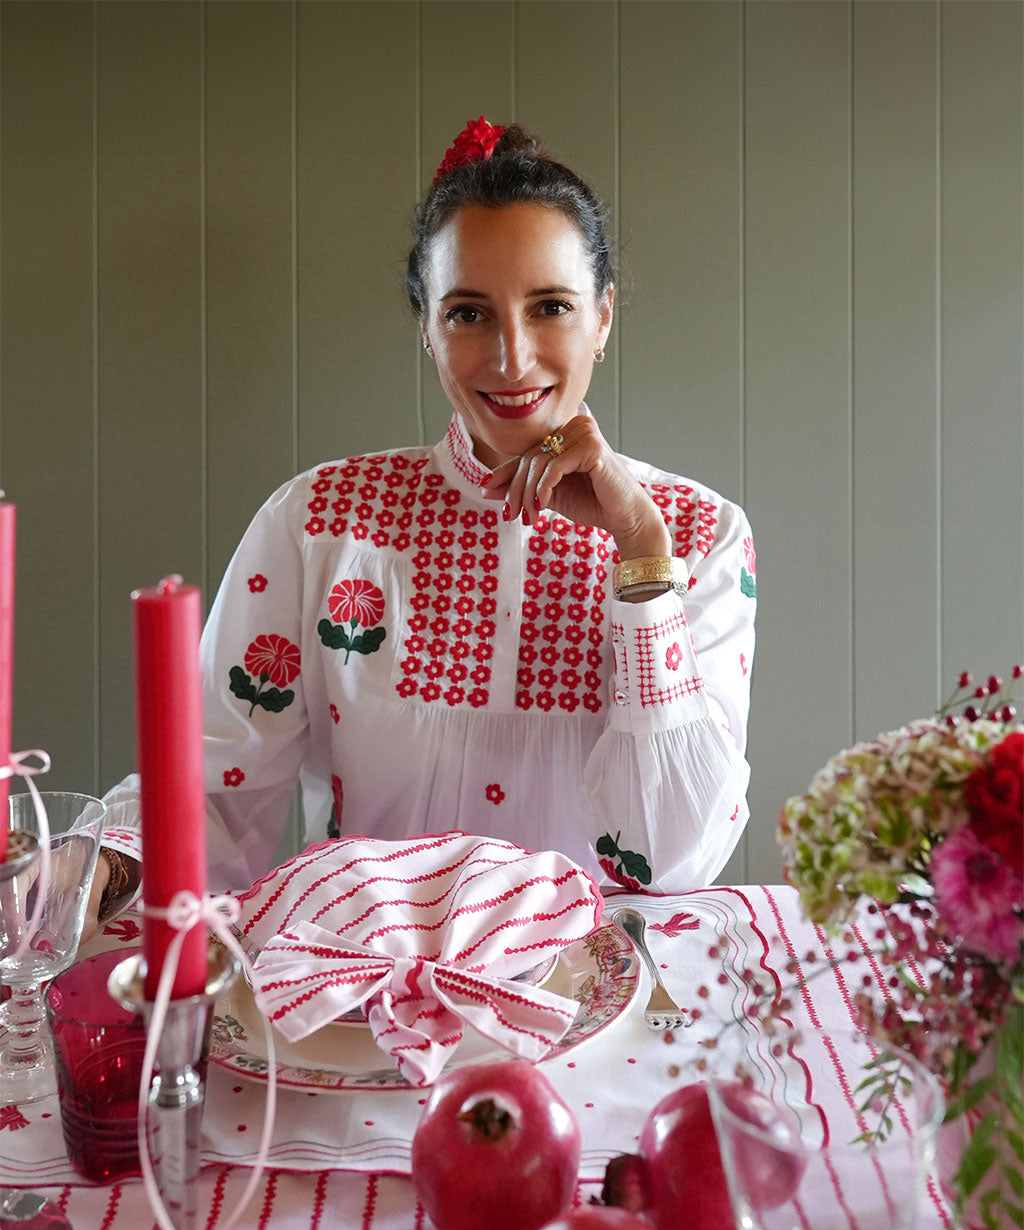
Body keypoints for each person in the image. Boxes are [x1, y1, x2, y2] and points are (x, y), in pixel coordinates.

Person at [89, 118, 756, 934]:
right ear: (425, 324)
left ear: (604, 316)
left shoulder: (694, 530)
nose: (512, 358)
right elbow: (211, 803)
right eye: (469, 314)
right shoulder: (320, 520)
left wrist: (644, 557)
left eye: (550, 307)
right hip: (357, 1015)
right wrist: (91, 868)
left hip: (605, 1019)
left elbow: (674, 857)